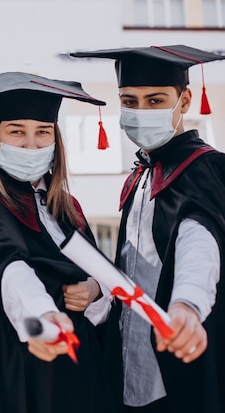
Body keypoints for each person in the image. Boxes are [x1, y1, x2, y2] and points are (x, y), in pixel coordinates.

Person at [0, 72, 118, 413]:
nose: (31, 145)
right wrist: (42, 317)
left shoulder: (68, 208)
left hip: (82, 370)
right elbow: (8, 271)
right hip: (22, 369)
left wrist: (95, 290)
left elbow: (106, 278)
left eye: (43, 132)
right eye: (16, 131)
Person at [70, 45, 225, 413]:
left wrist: (187, 304)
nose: (141, 113)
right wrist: (99, 288)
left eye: (155, 100)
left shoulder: (206, 169)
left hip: (178, 362)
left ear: (184, 100)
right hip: (128, 364)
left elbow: (199, 242)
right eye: (130, 101)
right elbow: (134, 265)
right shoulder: (141, 174)